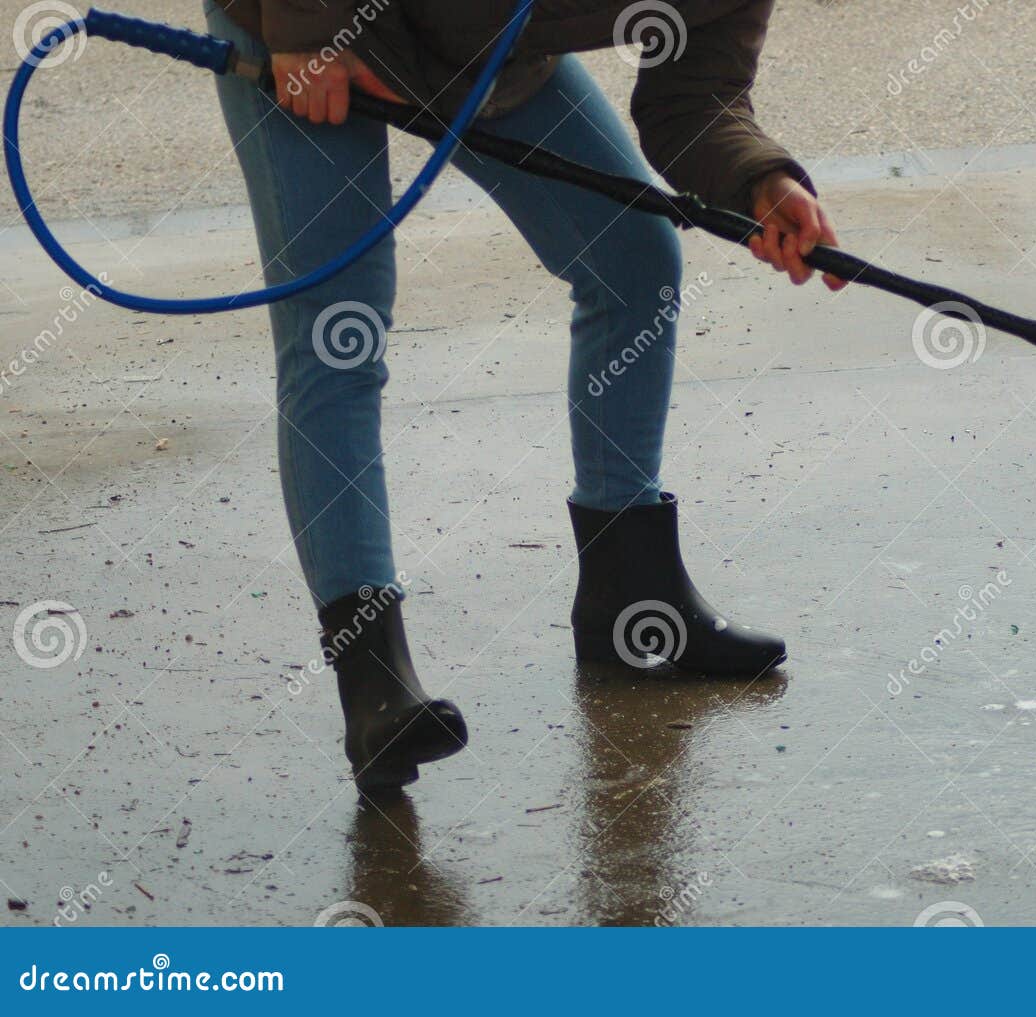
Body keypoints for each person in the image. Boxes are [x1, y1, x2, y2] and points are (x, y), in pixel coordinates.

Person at [207, 0, 844, 792]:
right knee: (340, 326)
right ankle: (375, 680)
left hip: (476, 42)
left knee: (634, 256)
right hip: (300, 20)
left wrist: (761, 178)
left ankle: (630, 601)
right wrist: (307, 29)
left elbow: (696, 98)